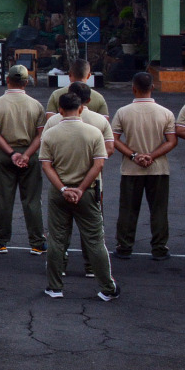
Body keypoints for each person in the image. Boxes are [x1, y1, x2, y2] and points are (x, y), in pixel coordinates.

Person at [39, 92, 119, 302]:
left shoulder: (51, 133)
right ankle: (106, 287)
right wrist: (81, 189)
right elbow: (99, 164)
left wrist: (64, 189)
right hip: (87, 193)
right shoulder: (93, 133)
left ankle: (55, 286)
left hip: (59, 193)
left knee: (57, 239)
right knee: (95, 240)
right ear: (81, 108)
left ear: (60, 110)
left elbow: (46, 165)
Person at [109, 71, 178, 261]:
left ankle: (124, 246)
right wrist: (152, 155)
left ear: (133, 89)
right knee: (158, 210)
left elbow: (114, 139)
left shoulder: (123, 112)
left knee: (128, 210)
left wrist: (134, 155)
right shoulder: (166, 113)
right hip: (158, 168)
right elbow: (171, 141)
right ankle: (159, 248)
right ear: (152, 88)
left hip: (131, 169)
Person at [0, 65, 46, 254]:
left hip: (5, 153)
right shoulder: (35, 105)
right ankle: (37, 241)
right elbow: (41, 134)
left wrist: (11, 153)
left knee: (4, 199)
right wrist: (26, 154)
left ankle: (1, 240)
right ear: (26, 82)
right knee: (32, 200)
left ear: (7, 79)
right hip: (30, 152)